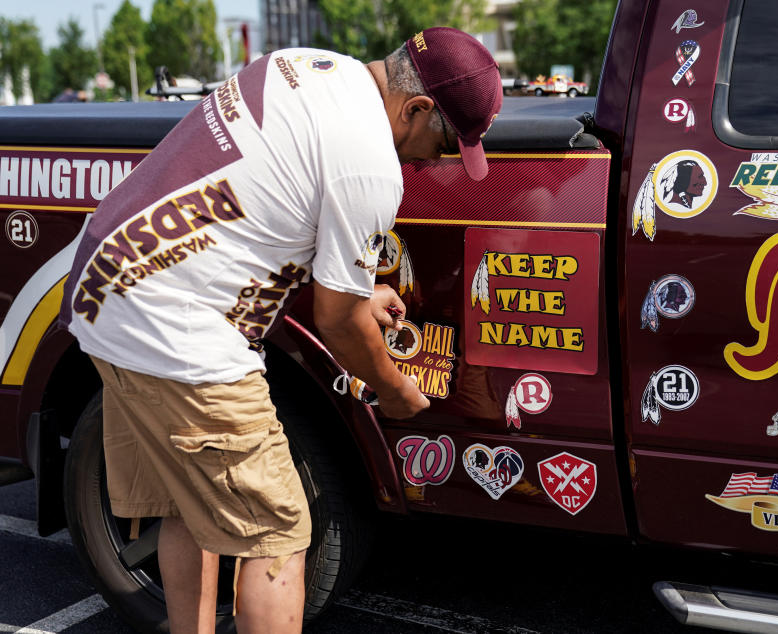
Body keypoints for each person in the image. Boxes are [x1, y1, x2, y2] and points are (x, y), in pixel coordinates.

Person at [59, 27, 502, 634]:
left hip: (108, 289)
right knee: (278, 534)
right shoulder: (370, 164)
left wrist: (355, 292)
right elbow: (337, 324)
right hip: (174, 329)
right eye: (447, 140)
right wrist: (396, 390)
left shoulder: (305, 65)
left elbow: (260, 209)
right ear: (417, 108)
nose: (438, 158)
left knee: (191, 507)